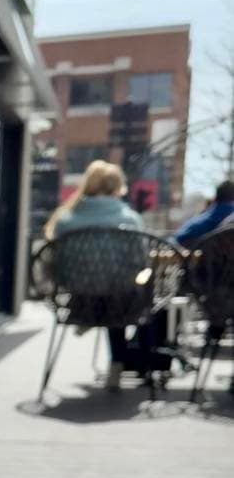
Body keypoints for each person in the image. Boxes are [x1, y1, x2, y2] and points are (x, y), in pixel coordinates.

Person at [43, 161, 150, 389]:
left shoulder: (65, 221)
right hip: (121, 301)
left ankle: (90, 318)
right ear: (118, 187)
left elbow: (54, 266)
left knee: (105, 293)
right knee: (133, 294)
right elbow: (140, 263)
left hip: (80, 299)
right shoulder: (130, 220)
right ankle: (122, 363)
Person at [172, 180, 234, 248]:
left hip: (185, 249)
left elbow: (178, 239)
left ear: (216, 197)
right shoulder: (228, 216)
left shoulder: (207, 217)